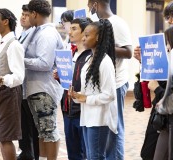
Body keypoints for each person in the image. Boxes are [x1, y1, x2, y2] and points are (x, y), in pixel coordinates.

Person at [87, 0, 132, 159]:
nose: (88, 8)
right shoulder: (97, 23)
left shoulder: (117, 23)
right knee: (103, 128)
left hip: (116, 83)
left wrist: (99, 45)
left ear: (95, 4)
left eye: (89, 4)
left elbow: (128, 52)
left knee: (115, 128)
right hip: (100, 84)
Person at [70, 19, 117, 159]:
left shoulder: (105, 62)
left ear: (98, 37)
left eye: (87, 35)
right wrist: (77, 96)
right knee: (91, 157)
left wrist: (86, 98)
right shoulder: (90, 58)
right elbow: (89, 91)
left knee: (96, 157)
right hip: (87, 116)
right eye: (83, 35)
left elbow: (110, 95)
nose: (83, 38)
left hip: (99, 119)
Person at [133, 2, 173, 159]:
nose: (169, 21)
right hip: (161, 108)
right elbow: (160, 74)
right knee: (148, 152)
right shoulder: (166, 42)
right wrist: (144, 61)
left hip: (167, 106)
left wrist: (156, 88)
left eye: (171, 16)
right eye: (168, 17)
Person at [25, 0, 64, 159]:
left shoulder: (47, 33)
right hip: (37, 88)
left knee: (49, 131)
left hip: (44, 90)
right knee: (42, 131)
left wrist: (20, 60)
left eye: (28, 14)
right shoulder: (38, 31)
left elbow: (45, 63)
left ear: (34, 14)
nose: (27, 18)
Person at [0, 8, 24, 160]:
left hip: (8, 93)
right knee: (1, 136)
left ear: (6, 21)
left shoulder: (14, 45)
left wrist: (0, 79)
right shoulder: (1, 43)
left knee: (6, 137)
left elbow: (19, 76)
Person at [59, 18, 92, 160]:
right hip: (68, 109)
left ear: (85, 32)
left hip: (82, 111)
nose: (70, 32)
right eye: (70, 28)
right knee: (73, 153)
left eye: (74, 29)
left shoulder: (91, 56)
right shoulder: (72, 53)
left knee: (85, 152)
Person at [17, 4, 39, 160]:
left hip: (32, 85)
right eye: (22, 14)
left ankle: (33, 154)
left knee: (32, 125)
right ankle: (26, 152)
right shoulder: (21, 34)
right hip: (21, 87)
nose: (23, 17)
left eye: (26, 14)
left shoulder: (34, 33)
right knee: (23, 124)